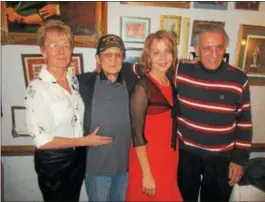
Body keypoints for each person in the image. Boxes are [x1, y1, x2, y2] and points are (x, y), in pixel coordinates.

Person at [25, 20, 113, 201]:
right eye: (54, 45)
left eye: (66, 45)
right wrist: (85, 140)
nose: (61, 51)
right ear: (43, 51)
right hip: (53, 161)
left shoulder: (73, 82)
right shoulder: (37, 88)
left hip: (77, 158)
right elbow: (41, 140)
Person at [175, 24, 253, 201]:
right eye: (207, 48)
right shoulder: (181, 71)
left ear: (225, 48)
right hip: (187, 154)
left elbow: (244, 123)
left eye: (219, 47)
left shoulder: (238, 79)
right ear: (196, 49)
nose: (214, 53)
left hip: (221, 158)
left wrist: (239, 160)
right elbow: (150, 69)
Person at [77, 34, 137, 202]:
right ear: (98, 58)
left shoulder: (132, 82)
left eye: (117, 54)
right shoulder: (83, 83)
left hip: (125, 168)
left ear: (123, 58)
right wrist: (82, 140)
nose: (113, 60)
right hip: (96, 170)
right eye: (107, 55)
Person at [126, 30, 182, 201]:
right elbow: (137, 135)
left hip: (169, 157)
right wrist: (147, 174)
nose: (163, 57)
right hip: (148, 159)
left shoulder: (170, 84)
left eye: (167, 51)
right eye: (156, 52)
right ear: (148, 56)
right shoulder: (142, 87)